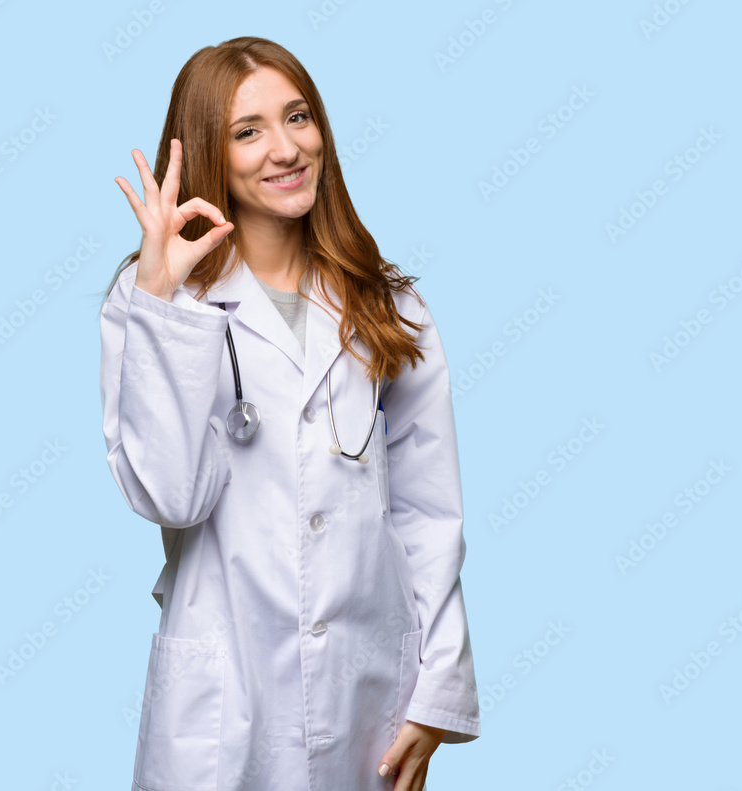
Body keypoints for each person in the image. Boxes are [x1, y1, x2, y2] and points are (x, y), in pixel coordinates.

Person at [99, 35, 480, 791]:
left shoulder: (388, 303)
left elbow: (429, 513)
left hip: (367, 687)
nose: (286, 148)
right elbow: (170, 497)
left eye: (298, 117)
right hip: (224, 696)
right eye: (249, 130)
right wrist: (164, 306)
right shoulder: (149, 303)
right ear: (211, 151)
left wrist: (436, 690)